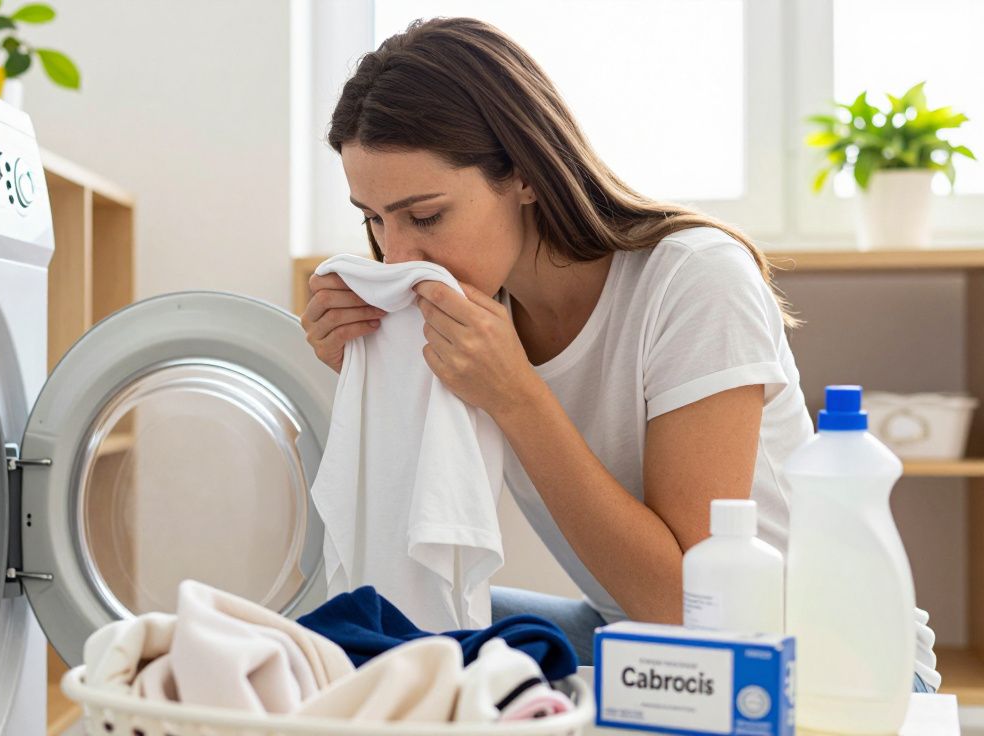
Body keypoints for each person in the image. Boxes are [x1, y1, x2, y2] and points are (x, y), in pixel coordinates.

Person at [297, 17, 936, 694]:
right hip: (629, 633)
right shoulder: (479, 307)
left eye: (424, 216)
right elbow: (415, 519)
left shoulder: (694, 281)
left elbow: (689, 610)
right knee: (357, 630)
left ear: (525, 176)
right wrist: (378, 371)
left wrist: (516, 396)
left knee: (405, 654)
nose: (395, 255)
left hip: (811, 669)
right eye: (372, 218)